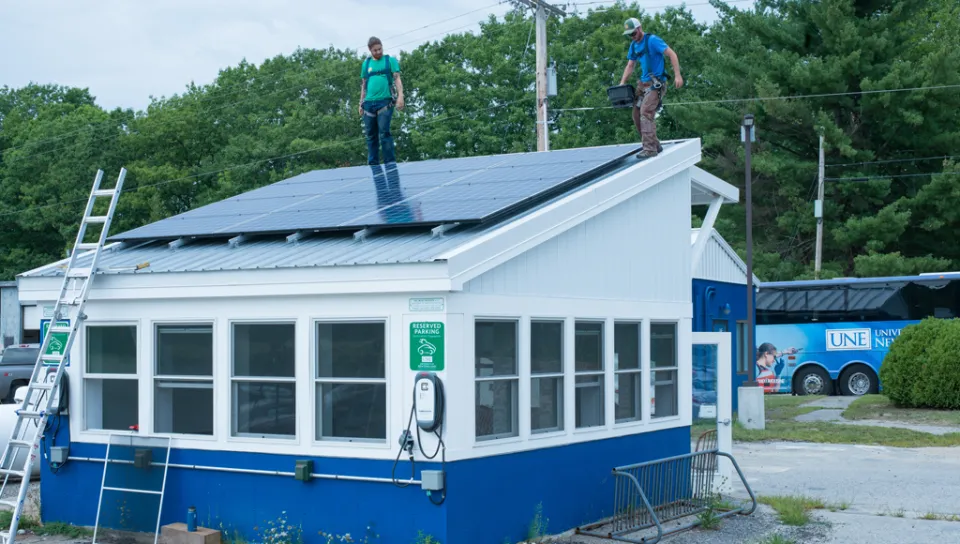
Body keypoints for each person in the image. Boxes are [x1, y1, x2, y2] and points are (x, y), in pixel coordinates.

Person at [618, 17, 683, 158]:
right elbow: (630, 65)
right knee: (636, 114)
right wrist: (622, 83)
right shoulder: (634, 45)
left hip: (656, 84)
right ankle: (654, 144)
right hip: (643, 84)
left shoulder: (652, 40)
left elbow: (672, 54)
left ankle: (650, 149)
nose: (632, 37)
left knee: (646, 111)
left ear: (640, 28)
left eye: (634, 33)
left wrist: (677, 75)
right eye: (629, 35)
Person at [359, 36, 404, 166]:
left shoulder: (390, 61)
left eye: (380, 49)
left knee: (384, 133)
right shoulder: (366, 64)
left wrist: (401, 96)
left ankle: (390, 164)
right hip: (368, 104)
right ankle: (373, 166)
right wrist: (360, 103)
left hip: (385, 102)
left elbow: (397, 79)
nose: (378, 52)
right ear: (370, 50)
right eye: (375, 50)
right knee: (370, 135)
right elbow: (364, 84)